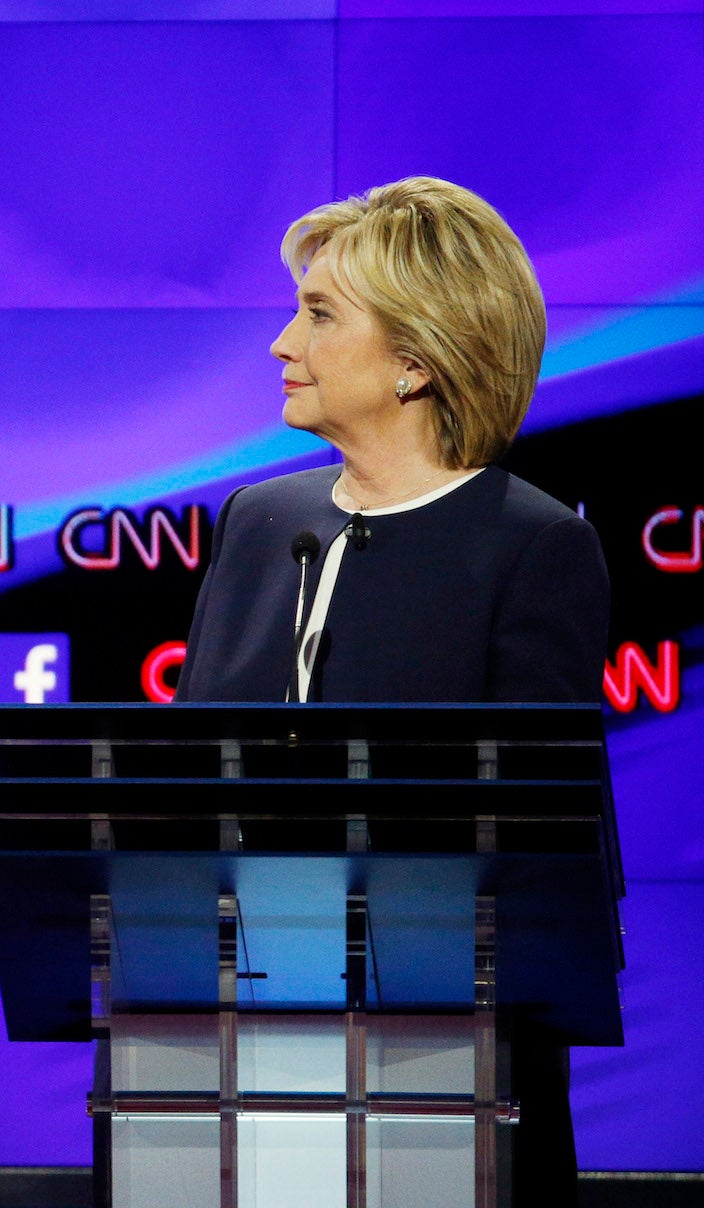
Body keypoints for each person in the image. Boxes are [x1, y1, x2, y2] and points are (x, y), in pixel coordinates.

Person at [176, 177, 608, 1204]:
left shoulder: (532, 544)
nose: (283, 343)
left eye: (318, 315)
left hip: (440, 1077)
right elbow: (183, 791)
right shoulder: (252, 519)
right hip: (234, 1056)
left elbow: (531, 850)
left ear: (415, 360)